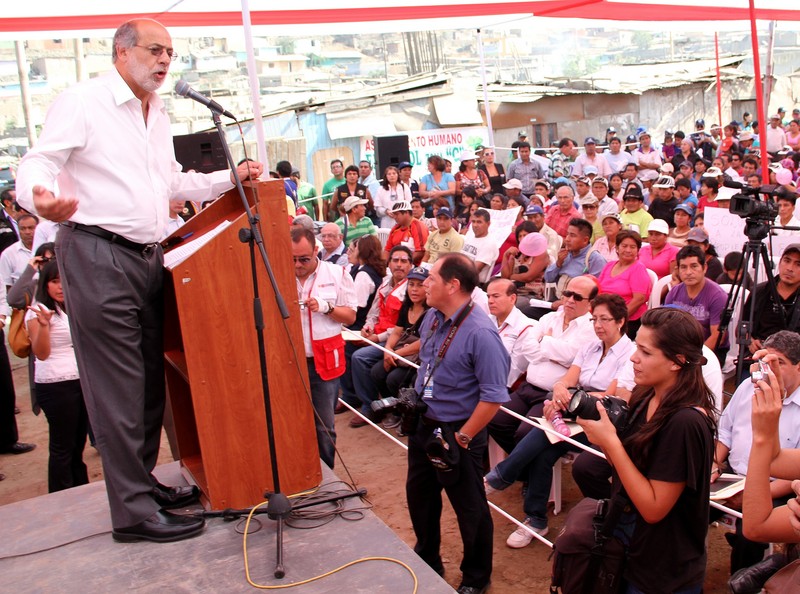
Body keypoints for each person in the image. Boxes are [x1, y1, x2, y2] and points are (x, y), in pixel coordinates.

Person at [16, 18, 265, 543]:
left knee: (151, 381)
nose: (165, 61)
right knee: (118, 388)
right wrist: (39, 196)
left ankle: (142, 483)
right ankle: (131, 513)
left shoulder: (158, 110)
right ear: (122, 52)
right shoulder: (83, 101)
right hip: (96, 252)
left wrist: (229, 177)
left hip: (153, 257)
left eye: (170, 53)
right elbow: (38, 160)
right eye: (155, 50)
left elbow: (170, 181)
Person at [577, 307, 716, 594]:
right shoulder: (646, 396)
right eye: (636, 346)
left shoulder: (685, 423)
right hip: (631, 545)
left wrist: (612, 444)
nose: (633, 357)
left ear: (677, 362)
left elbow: (654, 508)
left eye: (645, 351)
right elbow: (630, 471)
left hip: (663, 568)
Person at [485, 294, 635, 546]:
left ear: (620, 321)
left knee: (542, 435)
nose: (598, 325)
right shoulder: (590, 347)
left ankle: (502, 480)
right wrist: (559, 391)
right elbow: (568, 378)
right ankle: (534, 519)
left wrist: (570, 397)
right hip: (576, 414)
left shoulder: (628, 353)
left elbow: (612, 396)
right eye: (595, 319)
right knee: (543, 448)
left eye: (605, 319)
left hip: (604, 422)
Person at [406, 253, 509, 594]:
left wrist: (463, 438)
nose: (424, 284)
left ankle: (477, 579)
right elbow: (428, 361)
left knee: (471, 510)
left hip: (458, 433)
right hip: (424, 424)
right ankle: (428, 559)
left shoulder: (482, 333)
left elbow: (493, 397)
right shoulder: (433, 317)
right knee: (420, 497)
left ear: (453, 285)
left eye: (432, 279)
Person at [715, 331, 800, 575]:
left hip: (772, 487)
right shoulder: (748, 387)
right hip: (733, 477)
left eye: (779, 363)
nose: (771, 370)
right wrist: (714, 464)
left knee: (747, 538)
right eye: (765, 362)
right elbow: (725, 433)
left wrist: (749, 491)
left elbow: (784, 473)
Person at [487, 275, 597, 452]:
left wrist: (544, 341)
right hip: (528, 387)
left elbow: (573, 356)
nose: (569, 300)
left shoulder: (590, 328)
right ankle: (521, 469)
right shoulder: (549, 318)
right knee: (495, 419)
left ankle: (517, 469)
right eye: (567, 294)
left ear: (590, 303)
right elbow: (528, 348)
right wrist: (555, 353)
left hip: (554, 395)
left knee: (525, 432)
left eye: (577, 297)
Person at [292, 228, 357, 466]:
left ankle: (327, 477)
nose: (298, 265)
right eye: (293, 259)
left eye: (304, 259)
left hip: (324, 362)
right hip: (289, 361)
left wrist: (327, 307)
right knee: (291, 423)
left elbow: (350, 317)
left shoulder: (338, 273)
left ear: (316, 251)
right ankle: (298, 473)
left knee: (324, 427)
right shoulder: (276, 273)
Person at [25, 260, 89, 493]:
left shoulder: (70, 306)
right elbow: (41, 354)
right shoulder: (39, 311)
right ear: (45, 284)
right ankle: (61, 495)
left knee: (78, 442)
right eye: (54, 281)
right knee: (63, 445)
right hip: (56, 385)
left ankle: (80, 489)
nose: (60, 286)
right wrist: (43, 326)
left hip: (79, 380)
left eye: (63, 280)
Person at [352, 266, 430, 430]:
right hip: (401, 352)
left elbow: (424, 341)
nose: (414, 289)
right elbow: (396, 332)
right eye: (411, 284)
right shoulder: (406, 306)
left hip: (417, 358)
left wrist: (395, 354)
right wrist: (388, 351)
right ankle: (391, 407)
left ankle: (405, 412)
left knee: (393, 378)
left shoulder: (431, 311)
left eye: (419, 285)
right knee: (377, 371)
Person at [664, 245, 729, 365]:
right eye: (683, 267)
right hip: (680, 348)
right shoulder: (674, 292)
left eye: (694, 266)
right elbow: (664, 326)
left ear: (704, 268)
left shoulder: (718, 296)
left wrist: (693, 359)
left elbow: (718, 337)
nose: (688, 272)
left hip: (710, 350)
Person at [743, 243, 800, 356]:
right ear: (779, 262)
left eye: (798, 264)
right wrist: (750, 341)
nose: (789, 268)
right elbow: (742, 327)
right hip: (760, 357)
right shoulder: (760, 291)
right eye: (787, 261)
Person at [597, 230, 652, 338]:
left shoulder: (638, 268)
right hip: (604, 315)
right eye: (624, 246)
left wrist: (617, 319)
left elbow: (639, 299)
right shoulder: (609, 265)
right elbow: (599, 290)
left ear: (638, 250)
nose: (628, 250)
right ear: (617, 248)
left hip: (627, 320)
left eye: (632, 247)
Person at [486, 278, 537, 389]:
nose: (490, 301)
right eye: (488, 296)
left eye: (496, 296)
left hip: (497, 386)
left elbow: (514, 371)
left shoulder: (527, 328)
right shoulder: (486, 321)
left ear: (512, 298)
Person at [544, 218, 607, 298]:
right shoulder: (565, 255)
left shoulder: (595, 259)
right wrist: (558, 264)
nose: (567, 239)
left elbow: (595, 292)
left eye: (572, 235)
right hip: (556, 301)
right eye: (567, 234)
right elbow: (548, 278)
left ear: (585, 240)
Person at [460, 208, 499, 285]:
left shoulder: (489, 244)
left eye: (479, 222)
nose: (475, 225)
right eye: (473, 222)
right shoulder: (469, 237)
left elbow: (475, 270)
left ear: (488, 224)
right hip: (461, 277)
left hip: (473, 283)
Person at [0, 213, 37, 290]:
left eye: (31, 228)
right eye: (23, 229)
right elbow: (6, 285)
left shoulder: (49, 249)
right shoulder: (8, 254)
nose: (27, 232)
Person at [383, 201, 428, 265]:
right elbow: (387, 250)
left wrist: (403, 263)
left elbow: (420, 252)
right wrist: (382, 265)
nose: (395, 217)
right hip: (396, 263)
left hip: (414, 266)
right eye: (394, 214)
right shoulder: (395, 228)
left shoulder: (417, 226)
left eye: (397, 214)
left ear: (406, 213)